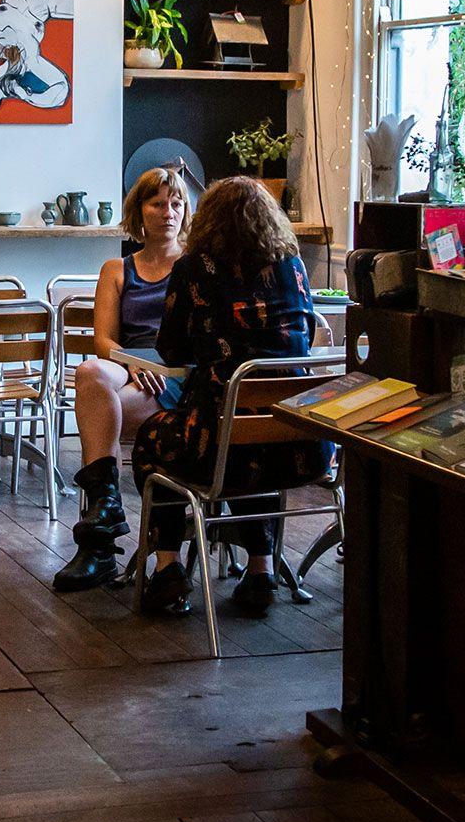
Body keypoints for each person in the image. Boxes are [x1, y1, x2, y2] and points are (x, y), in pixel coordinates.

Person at [127, 176, 331, 618]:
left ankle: (168, 567)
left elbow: (171, 350)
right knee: (252, 437)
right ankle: (260, 571)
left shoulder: (193, 268)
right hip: (303, 443)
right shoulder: (293, 265)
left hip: (218, 446)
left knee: (155, 440)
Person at [50, 166, 193, 594]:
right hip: (130, 365)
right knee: (90, 371)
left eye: (176, 204)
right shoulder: (116, 269)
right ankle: (107, 508)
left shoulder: (195, 266)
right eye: (157, 203)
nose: (168, 212)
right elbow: (103, 341)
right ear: (139, 211)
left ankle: (97, 545)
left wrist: (154, 367)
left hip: (174, 372)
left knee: (98, 415)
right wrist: (132, 364)